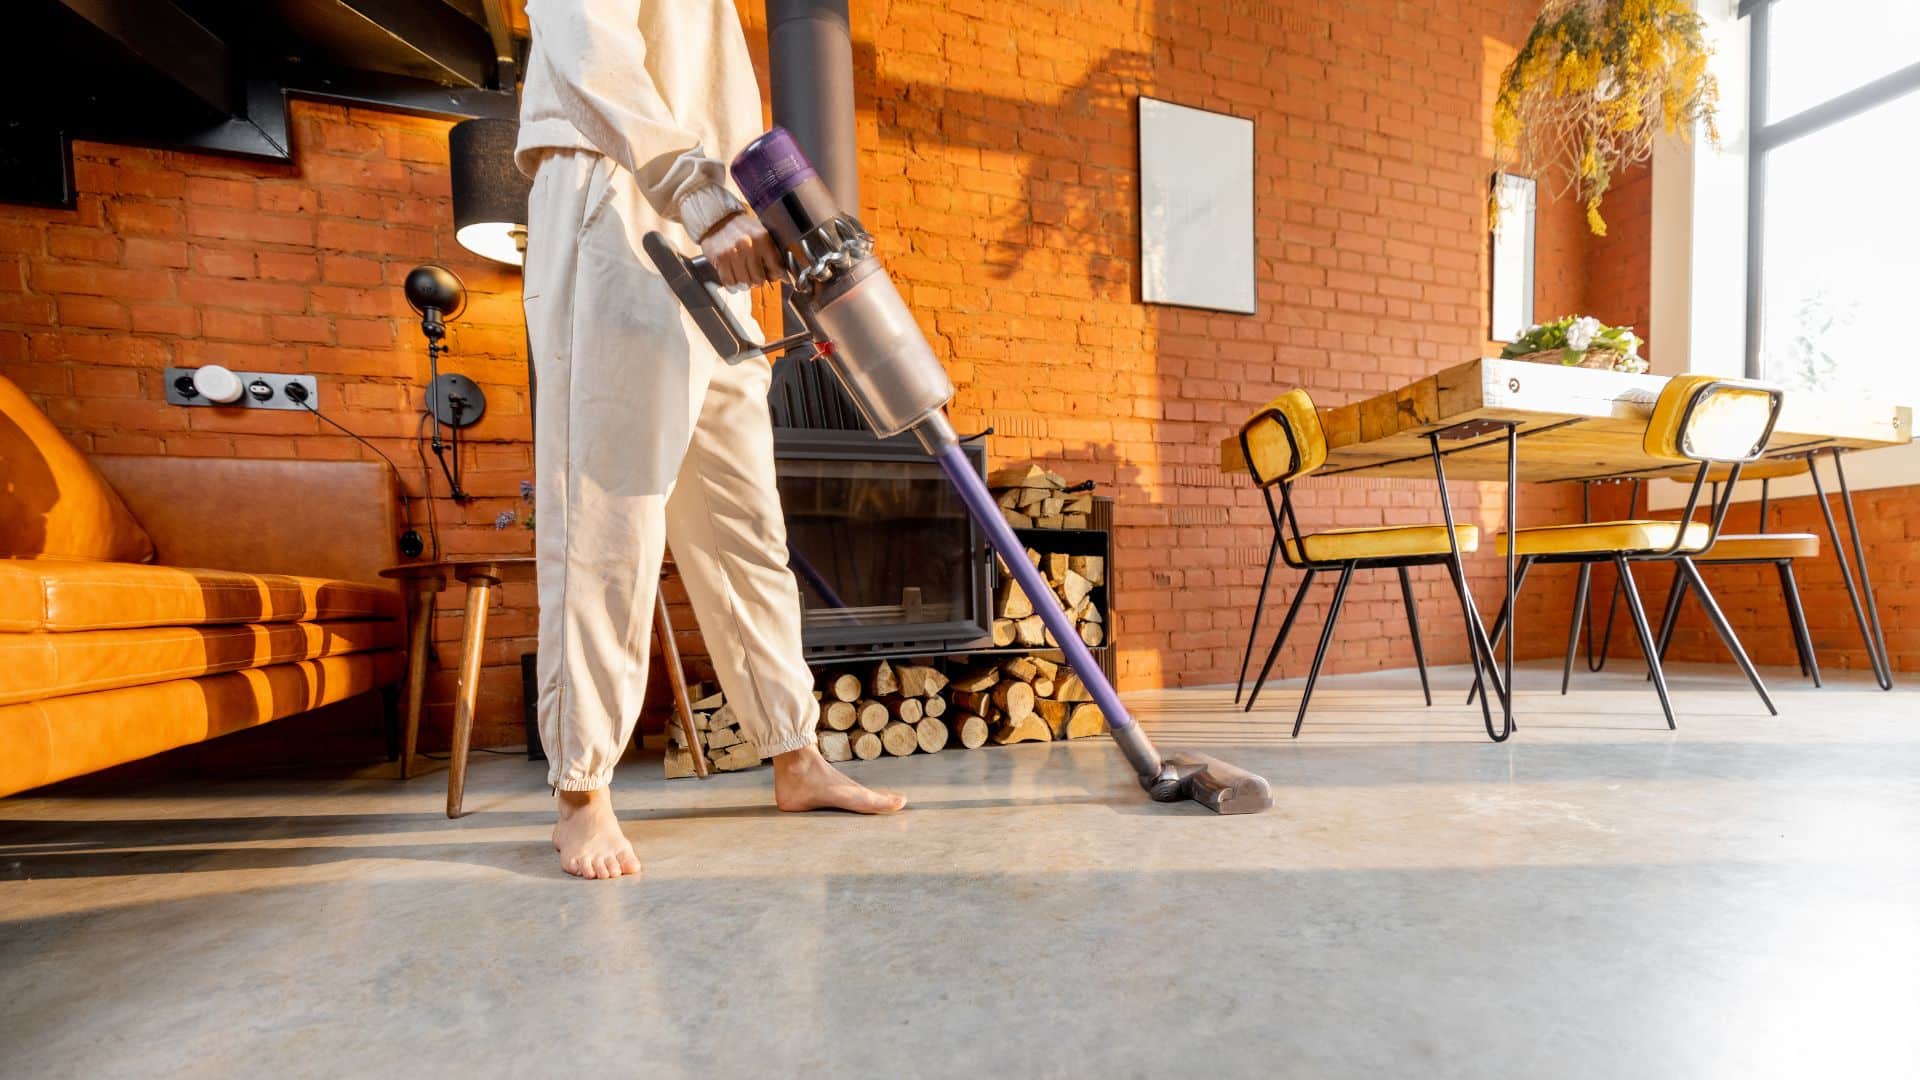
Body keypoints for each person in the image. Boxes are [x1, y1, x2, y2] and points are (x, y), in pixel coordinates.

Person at [515, 0, 905, 880]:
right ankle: (582, 792)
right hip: (613, 188)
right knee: (608, 514)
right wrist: (692, 186)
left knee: (742, 521)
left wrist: (732, 209)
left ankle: (794, 753)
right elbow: (588, 46)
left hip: (712, 219)